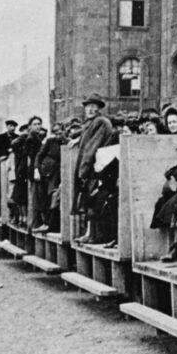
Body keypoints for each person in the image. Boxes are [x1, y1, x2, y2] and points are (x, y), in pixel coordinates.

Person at [74, 94, 116, 245]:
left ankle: (94, 235)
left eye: (94, 106)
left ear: (99, 108)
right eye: (88, 106)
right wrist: (76, 140)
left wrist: (83, 171)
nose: (90, 109)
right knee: (89, 202)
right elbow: (86, 140)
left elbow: (91, 148)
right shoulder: (92, 123)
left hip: (97, 167)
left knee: (93, 201)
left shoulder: (100, 122)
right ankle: (90, 233)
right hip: (95, 167)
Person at [33, 122, 63, 233]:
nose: (58, 135)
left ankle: (50, 225)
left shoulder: (67, 142)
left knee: (53, 196)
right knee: (44, 198)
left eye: (60, 132)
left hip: (58, 173)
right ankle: (45, 223)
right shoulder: (50, 142)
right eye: (55, 133)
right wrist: (36, 169)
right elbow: (39, 155)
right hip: (45, 172)